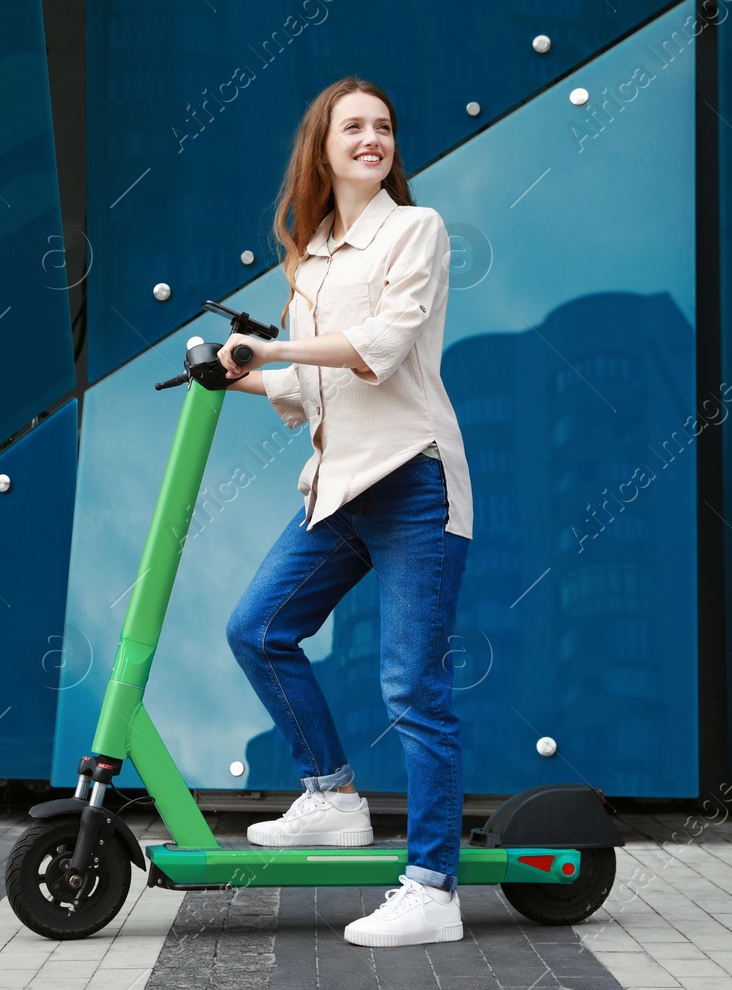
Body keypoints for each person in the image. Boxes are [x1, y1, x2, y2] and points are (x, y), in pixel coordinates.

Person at [215, 76, 474, 948]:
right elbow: (302, 385)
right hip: (337, 490)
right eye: (354, 126)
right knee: (258, 629)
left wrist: (275, 343)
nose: (373, 138)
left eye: (385, 126)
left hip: (409, 481)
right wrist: (240, 372)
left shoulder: (415, 228)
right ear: (322, 148)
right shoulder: (314, 254)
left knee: (412, 686)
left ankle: (434, 887)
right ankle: (331, 795)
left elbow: (379, 349)